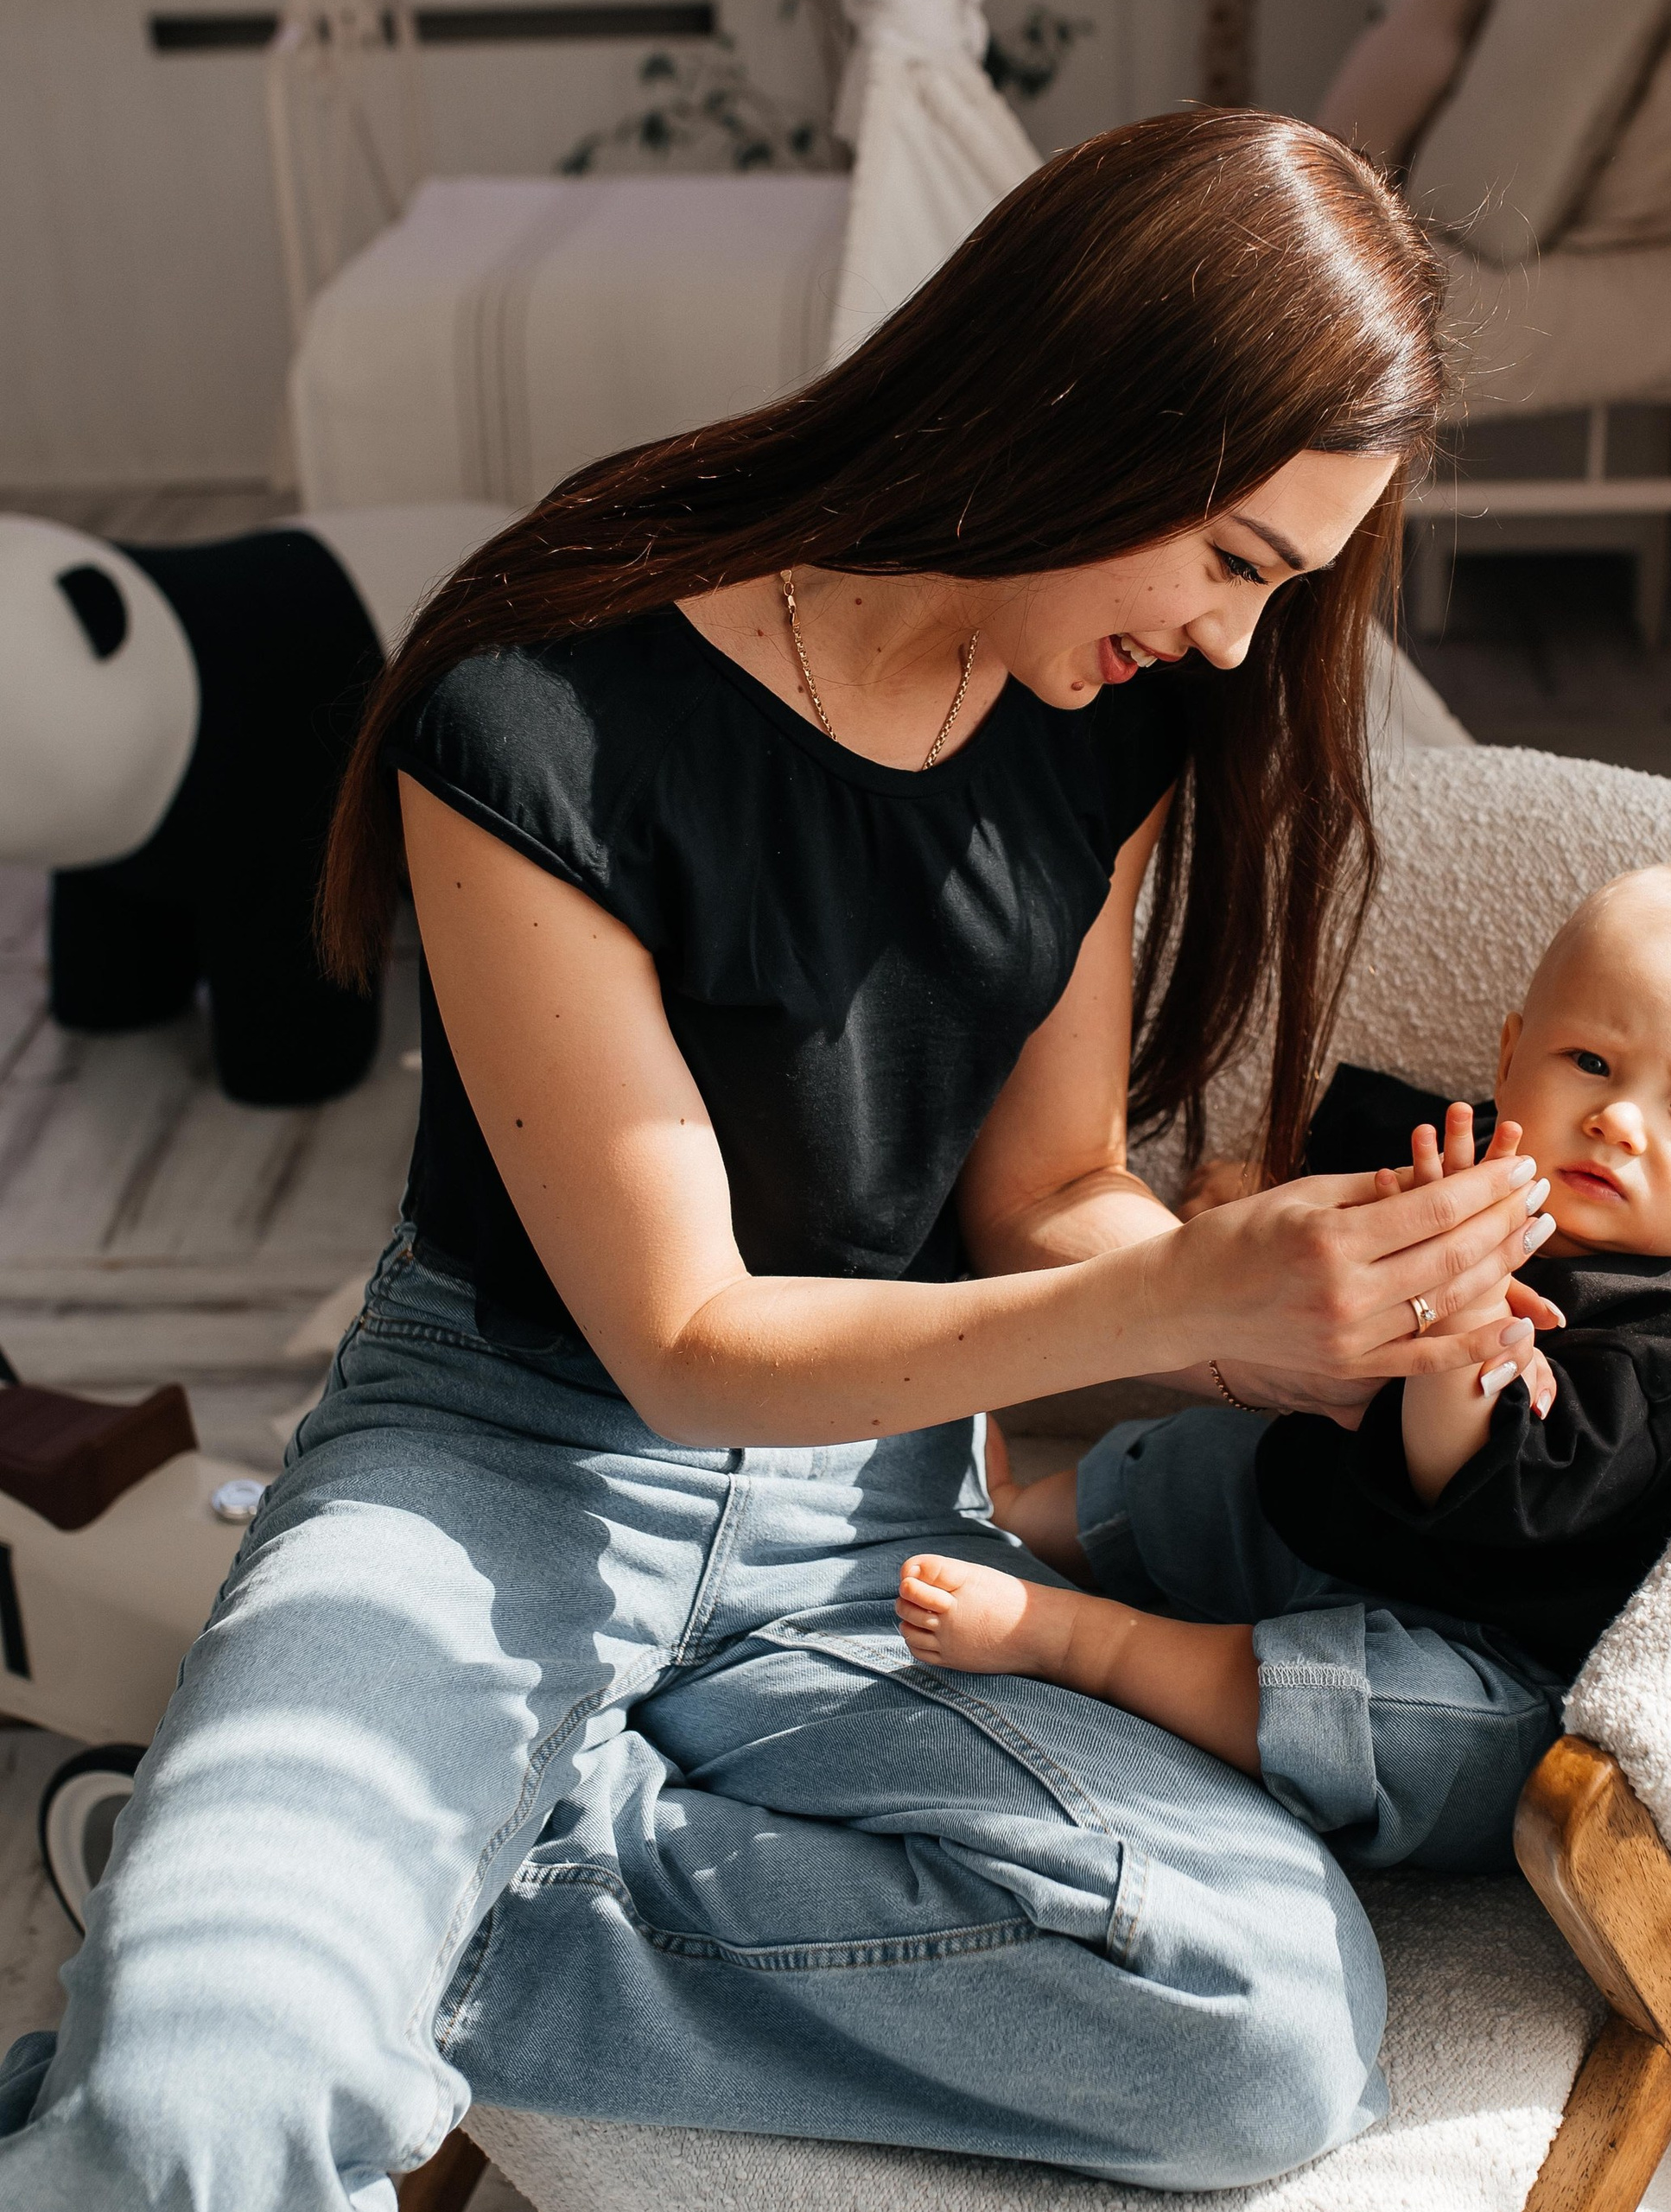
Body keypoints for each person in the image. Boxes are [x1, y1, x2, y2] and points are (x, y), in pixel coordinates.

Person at [0, 112, 1569, 2211]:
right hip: (501, 1462)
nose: (1225, 644)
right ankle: (260, 1988)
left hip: (872, 1524)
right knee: (195, 2120)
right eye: (1228, 561)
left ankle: (403, 1928)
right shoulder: (542, 703)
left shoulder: (1095, 715)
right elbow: (681, 1340)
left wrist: (1307, 1303)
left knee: (1259, 2018)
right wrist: (1168, 1297)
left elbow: (1043, 1202)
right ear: (1082, 410)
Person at [899, 867, 1671, 1873]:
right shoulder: (1461, 1163)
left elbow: (1468, 1482)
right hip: (1310, 1509)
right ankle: (1019, 1512)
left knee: (1430, 1738)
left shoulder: (1670, 1335)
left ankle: (1089, 1645)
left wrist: (1465, 1330)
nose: (1620, 1120)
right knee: (1213, 1453)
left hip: (1473, 1631)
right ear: (1510, 1051)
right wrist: (1248, 1205)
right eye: (1590, 1060)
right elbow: (1307, 1233)